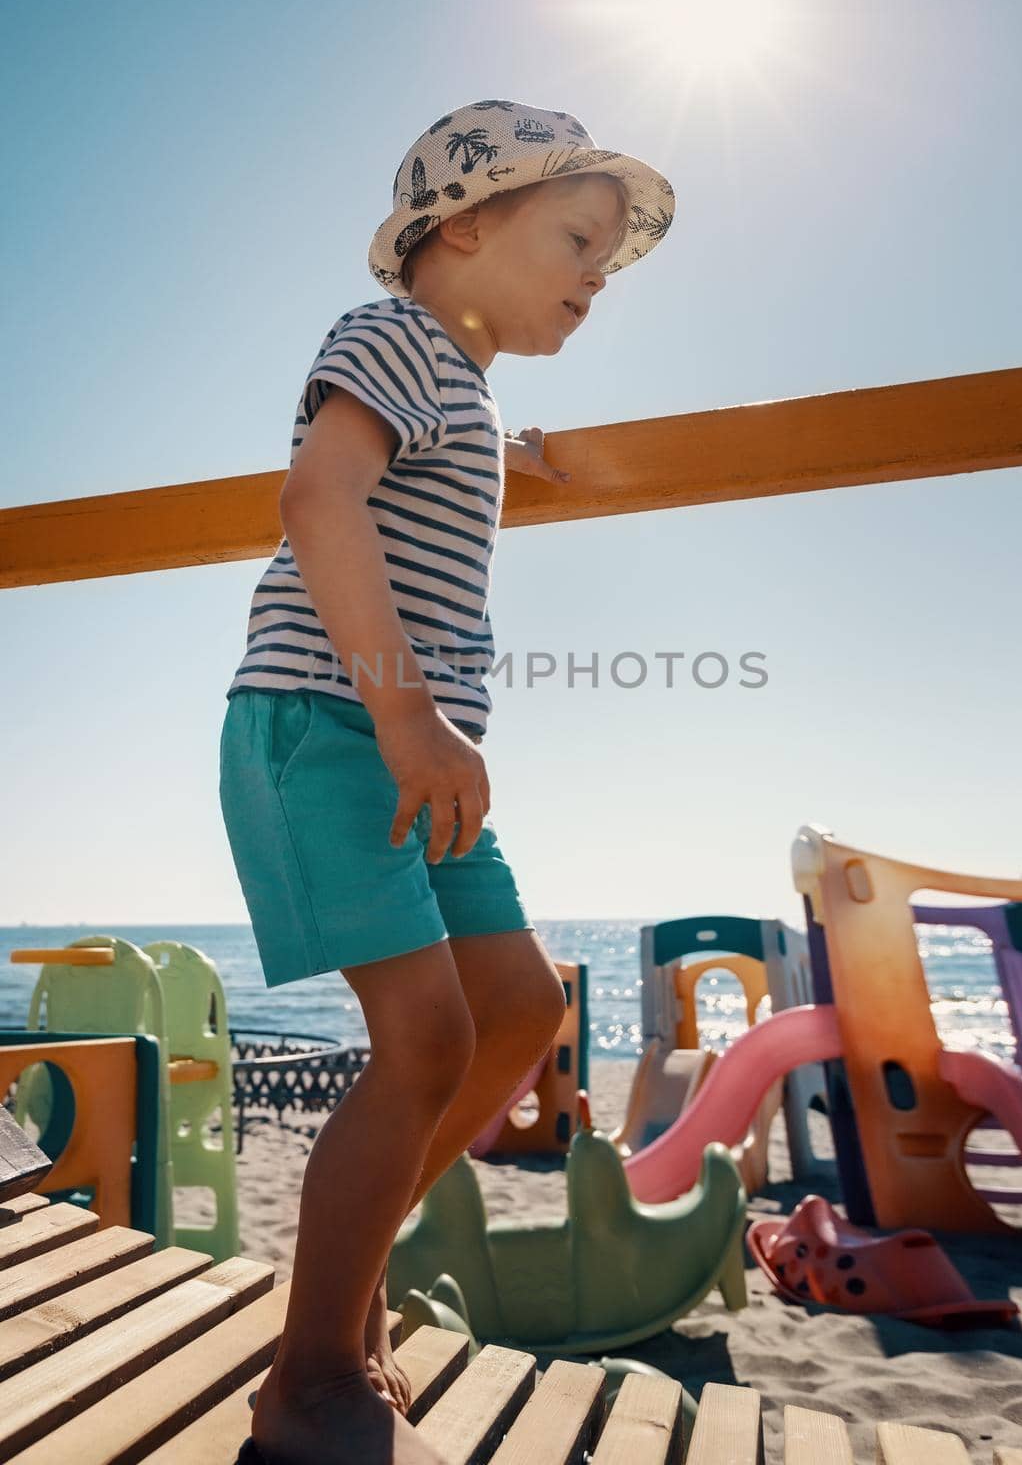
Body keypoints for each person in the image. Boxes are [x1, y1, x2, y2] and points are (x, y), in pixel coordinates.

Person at [218, 97, 675, 1464]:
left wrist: (517, 460)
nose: (598, 274)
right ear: (462, 229)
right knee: (420, 1039)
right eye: (577, 237)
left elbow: (435, 468)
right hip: (342, 721)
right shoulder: (392, 339)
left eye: (610, 257)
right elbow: (318, 499)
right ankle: (311, 1369)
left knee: (520, 1006)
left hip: (423, 751)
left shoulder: (460, 387)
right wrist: (408, 713)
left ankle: (339, 1305)